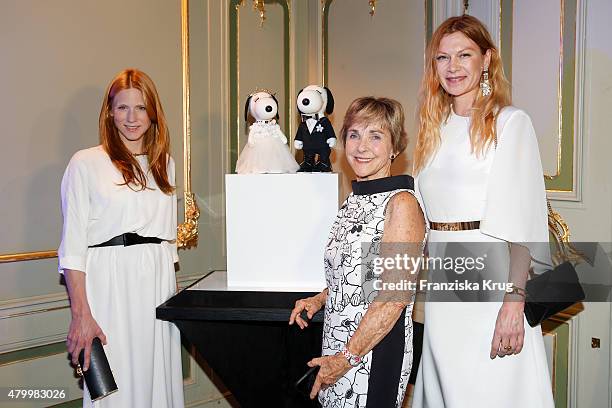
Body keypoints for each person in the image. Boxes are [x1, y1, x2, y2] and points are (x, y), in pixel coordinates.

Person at [411, 15, 555, 407]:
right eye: (443, 57)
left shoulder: (510, 124)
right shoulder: (432, 128)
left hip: (493, 291)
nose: (453, 67)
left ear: (486, 59)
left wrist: (514, 301)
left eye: (464, 55)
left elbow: (523, 222)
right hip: (444, 294)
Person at [58, 68, 185, 407]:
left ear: (153, 113)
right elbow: (72, 250)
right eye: (123, 108)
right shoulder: (85, 163)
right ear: (110, 112)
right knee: (116, 393)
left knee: (159, 386)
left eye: (141, 108)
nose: (132, 118)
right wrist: (81, 315)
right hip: (110, 290)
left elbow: (169, 248)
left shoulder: (166, 165)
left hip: (157, 292)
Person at [289, 97, 426, 407]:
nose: (362, 146)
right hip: (340, 346)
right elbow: (362, 279)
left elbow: (392, 298)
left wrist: (346, 359)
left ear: (394, 146)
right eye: (354, 134)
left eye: (375, 136)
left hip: (374, 351)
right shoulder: (356, 200)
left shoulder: (401, 204)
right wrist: (319, 298)